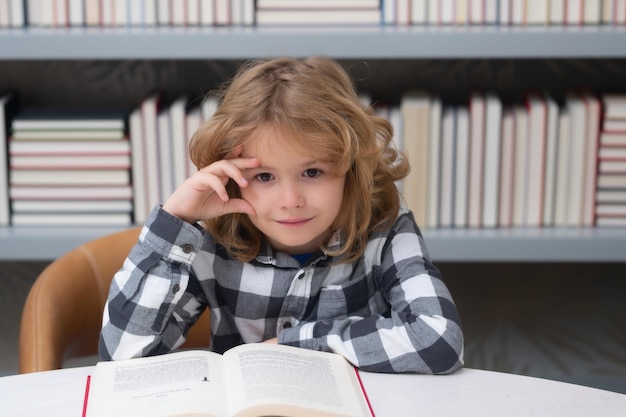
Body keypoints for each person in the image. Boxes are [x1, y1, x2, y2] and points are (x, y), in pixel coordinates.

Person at [99, 56, 464, 374]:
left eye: (313, 172)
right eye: (264, 176)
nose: (291, 201)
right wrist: (175, 221)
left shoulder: (384, 226)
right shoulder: (209, 240)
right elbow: (122, 357)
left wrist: (295, 344)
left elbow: (440, 339)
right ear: (232, 175)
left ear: (350, 168)